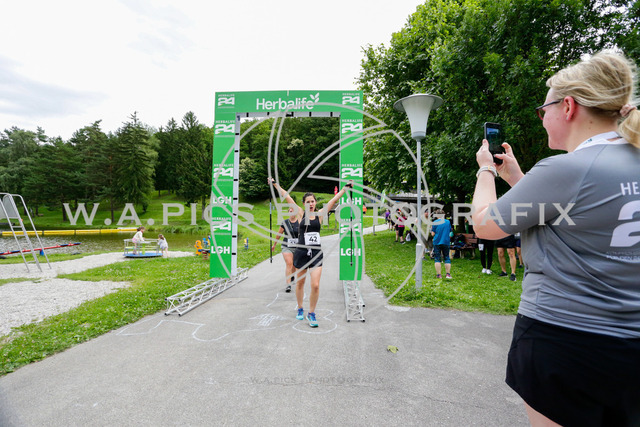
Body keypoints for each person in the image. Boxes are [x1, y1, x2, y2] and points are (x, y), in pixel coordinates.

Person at [471, 50, 640, 426]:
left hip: (565, 342)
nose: (542, 118)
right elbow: (575, 214)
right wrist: (520, 180)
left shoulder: (566, 168)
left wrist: (486, 170)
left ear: (567, 106)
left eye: (542, 110)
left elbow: (484, 224)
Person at [269, 178, 353, 328]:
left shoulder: (320, 215)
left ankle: (312, 313)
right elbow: (286, 196)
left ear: (315, 203)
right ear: (304, 204)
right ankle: (300, 308)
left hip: (315, 254)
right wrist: (275, 184)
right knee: (300, 283)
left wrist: (345, 189)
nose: (311, 204)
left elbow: (333, 200)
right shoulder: (300, 214)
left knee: (315, 285)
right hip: (301, 253)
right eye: (308, 202)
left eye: (312, 201)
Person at [270, 207, 299, 293]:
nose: (292, 213)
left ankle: (292, 275)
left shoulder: (300, 221)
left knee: (294, 265)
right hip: (287, 246)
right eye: (290, 211)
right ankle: (288, 284)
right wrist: (274, 244)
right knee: (289, 263)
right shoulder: (285, 223)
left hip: (297, 247)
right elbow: (279, 234)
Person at [430, 209, 452, 279]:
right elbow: (450, 231)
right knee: (447, 257)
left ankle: (439, 275)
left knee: (437, 258)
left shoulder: (435, 222)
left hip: (437, 242)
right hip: (446, 241)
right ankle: (448, 274)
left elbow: (433, 234)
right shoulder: (448, 222)